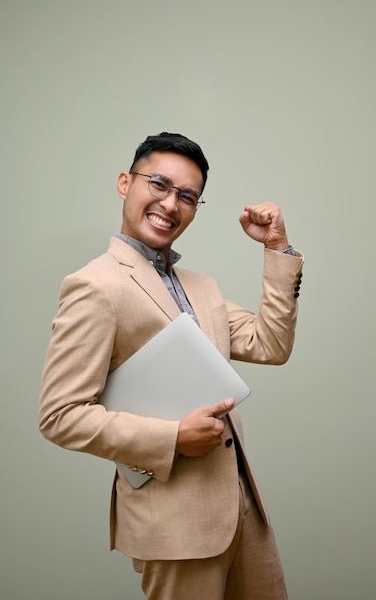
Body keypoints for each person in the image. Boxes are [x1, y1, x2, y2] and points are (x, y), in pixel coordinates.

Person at [39, 131, 303, 600]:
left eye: (187, 196)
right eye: (158, 184)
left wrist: (276, 249)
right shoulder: (94, 286)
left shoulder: (201, 286)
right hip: (175, 526)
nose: (170, 203)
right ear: (126, 182)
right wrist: (173, 438)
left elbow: (271, 344)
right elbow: (59, 416)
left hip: (244, 512)